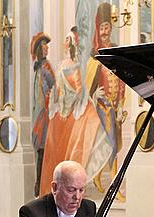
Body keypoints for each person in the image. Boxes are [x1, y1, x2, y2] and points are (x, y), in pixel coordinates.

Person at [38, 27, 112, 196]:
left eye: (66, 39)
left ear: (71, 44)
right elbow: (75, 92)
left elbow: (74, 92)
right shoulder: (71, 66)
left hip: (63, 113)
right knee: (86, 123)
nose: (64, 43)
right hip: (64, 113)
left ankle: (68, 186)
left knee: (67, 148)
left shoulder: (68, 66)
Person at [85, 2, 126, 197]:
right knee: (111, 144)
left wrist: (122, 105)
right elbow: (88, 89)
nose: (105, 31)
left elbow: (122, 82)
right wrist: (95, 95)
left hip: (115, 106)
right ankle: (113, 186)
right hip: (102, 106)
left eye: (107, 27)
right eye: (101, 28)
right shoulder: (94, 57)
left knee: (114, 144)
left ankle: (98, 175)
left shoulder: (116, 52)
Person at [30, 32, 55, 196]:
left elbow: (54, 86)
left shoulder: (46, 67)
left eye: (47, 46)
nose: (46, 49)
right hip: (38, 113)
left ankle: (40, 184)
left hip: (45, 114)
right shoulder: (37, 67)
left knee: (42, 150)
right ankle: (39, 183)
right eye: (43, 46)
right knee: (39, 149)